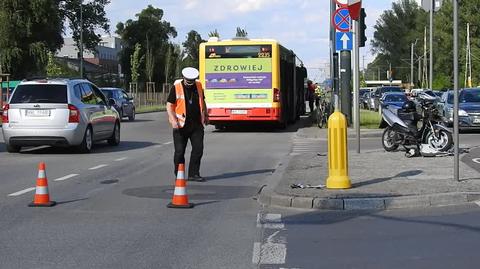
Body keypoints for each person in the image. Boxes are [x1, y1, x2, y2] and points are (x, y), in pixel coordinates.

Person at [166, 67, 209, 182]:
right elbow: (169, 106)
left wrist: (206, 115)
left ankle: (194, 174)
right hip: (181, 125)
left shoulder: (199, 86)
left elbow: (202, 101)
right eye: (188, 81)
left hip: (196, 125)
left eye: (192, 81)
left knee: (198, 149)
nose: (190, 84)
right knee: (179, 151)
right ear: (184, 78)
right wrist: (173, 119)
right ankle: (179, 174)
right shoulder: (176, 87)